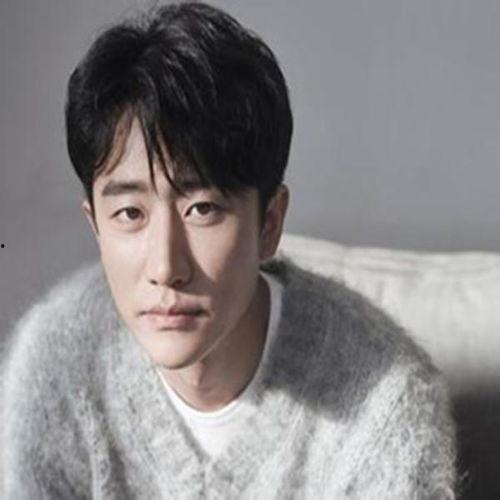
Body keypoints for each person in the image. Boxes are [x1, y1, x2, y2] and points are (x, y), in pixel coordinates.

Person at [1, 2, 456, 498]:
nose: (165, 267)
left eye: (202, 209)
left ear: (269, 223)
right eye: (130, 213)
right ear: (96, 225)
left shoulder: (383, 405)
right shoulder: (53, 366)